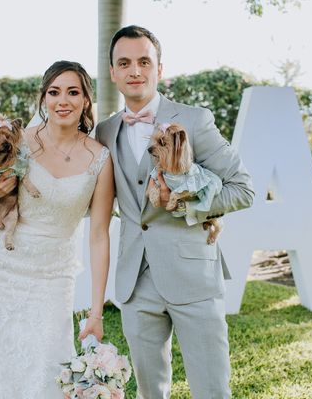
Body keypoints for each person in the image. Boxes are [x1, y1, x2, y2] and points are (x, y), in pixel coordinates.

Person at [96, 25, 255, 399]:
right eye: (124, 63)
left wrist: (191, 205)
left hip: (193, 276)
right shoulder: (104, 132)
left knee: (211, 389)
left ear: (159, 69)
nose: (135, 70)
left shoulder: (195, 120)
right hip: (135, 282)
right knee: (150, 392)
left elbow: (242, 188)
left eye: (143, 62)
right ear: (114, 73)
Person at [0, 61, 114, 398]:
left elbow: (100, 235)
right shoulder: (19, 143)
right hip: (4, 267)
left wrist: (96, 312)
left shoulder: (100, 158)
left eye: (73, 92)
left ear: (86, 101)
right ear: (43, 98)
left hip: (54, 276)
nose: (63, 100)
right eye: (54, 92)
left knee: (47, 366)